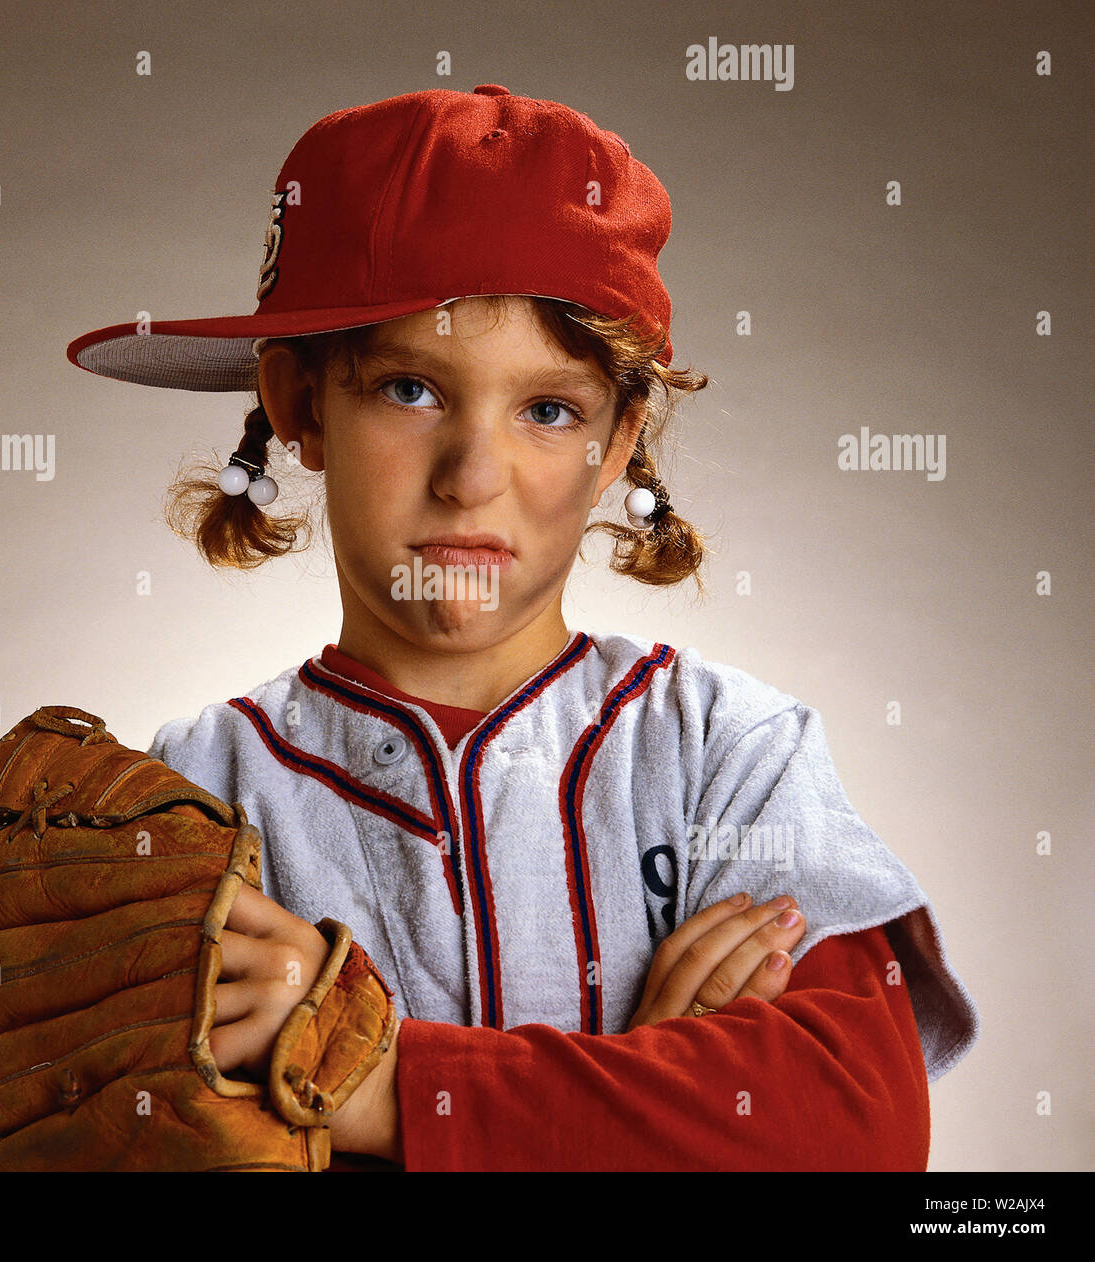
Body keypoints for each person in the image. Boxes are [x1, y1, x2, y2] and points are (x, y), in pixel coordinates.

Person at [66, 84, 979, 1171]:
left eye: (548, 409)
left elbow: (851, 1127)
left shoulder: (728, 751)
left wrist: (379, 1083)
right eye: (409, 388)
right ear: (302, 404)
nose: (473, 477)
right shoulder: (190, 788)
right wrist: (657, 1102)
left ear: (616, 439)